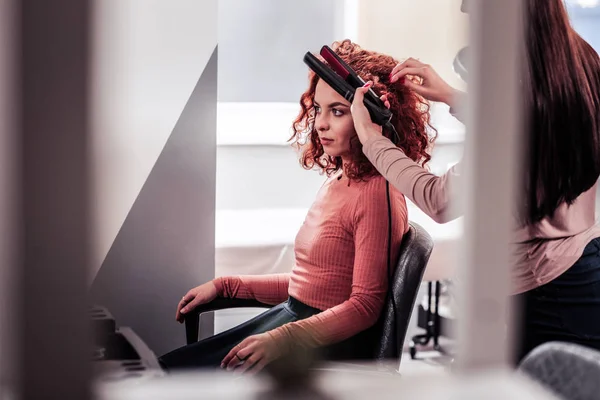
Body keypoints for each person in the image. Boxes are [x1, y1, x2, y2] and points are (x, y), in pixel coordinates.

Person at [158, 40, 434, 373]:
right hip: (293, 325)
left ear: (371, 117)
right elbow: (309, 288)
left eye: (337, 111)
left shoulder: (378, 193)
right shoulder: (338, 181)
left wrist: (283, 339)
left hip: (318, 349)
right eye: (318, 109)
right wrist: (225, 285)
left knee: (171, 379)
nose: (320, 124)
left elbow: (365, 306)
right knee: (165, 370)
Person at [350, 0, 600, 363]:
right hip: (586, 266)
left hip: (545, 290)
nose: (467, 8)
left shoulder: (513, 87)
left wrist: (373, 141)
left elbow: (440, 200)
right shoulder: (581, 60)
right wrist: (451, 96)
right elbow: (533, 135)